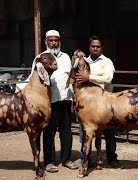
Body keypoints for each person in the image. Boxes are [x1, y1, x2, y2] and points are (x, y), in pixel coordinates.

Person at [75, 35, 123, 168]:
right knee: (86, 132)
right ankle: (86, 158)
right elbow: (74, 72)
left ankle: (112, 158)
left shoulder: (107, 62)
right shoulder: (83, 61)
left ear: (102, 48)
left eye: (98, 46)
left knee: (109, 131)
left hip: (104, 103)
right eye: (93, 46)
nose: (95, 49)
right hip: (88, 104)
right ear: (89, 47)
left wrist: (88, 77)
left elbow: (108, 78)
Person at [42, 29, 78, 173]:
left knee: (66, 131)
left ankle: (66, 159)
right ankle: (50, 162)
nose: (53, 43)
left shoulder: (66, 58)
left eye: (56, 40)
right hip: (49, 101)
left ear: (60, 41)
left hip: (66, 99)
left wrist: (74, 95)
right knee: (49, 132)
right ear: (46, 41)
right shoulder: (41, 57)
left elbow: (70, 77)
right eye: (50, 40)